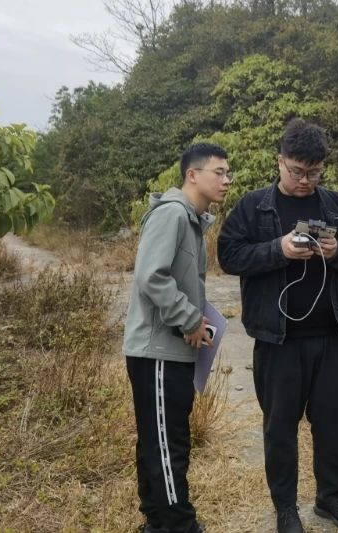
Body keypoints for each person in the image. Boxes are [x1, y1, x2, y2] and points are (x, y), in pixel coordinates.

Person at [218, 119, 338, 533]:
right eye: (297, 171)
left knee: (335, 422)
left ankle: (330, 498)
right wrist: (278, 249)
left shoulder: (335, 204)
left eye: (314, 172)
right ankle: (286, 507)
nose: (305, 181)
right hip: (278, 340)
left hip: (334, 335)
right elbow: (228, 256)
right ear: (279, 162)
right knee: (280, 427)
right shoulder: (253, 207)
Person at [123, 143, 232, 533]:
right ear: (192, 175)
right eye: (218, 172)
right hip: (158, 352)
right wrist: (189, 320)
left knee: (160, 440)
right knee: (168, 445)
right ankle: (180, 524)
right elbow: (151, 275)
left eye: (227, 173)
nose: (226, 180)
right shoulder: (172, 214)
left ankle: (156, 521)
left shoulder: (191, 220)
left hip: (168, 352)